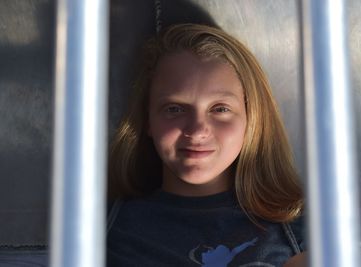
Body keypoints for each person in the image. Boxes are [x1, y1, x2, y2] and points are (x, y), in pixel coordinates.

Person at [107, 23, 306, 267]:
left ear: (251, 118)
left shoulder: (301, 232)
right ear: (147, 119)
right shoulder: (101, 230)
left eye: (220, 109)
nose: (197, 130)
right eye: (175, 109)